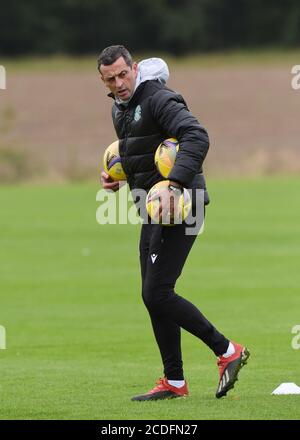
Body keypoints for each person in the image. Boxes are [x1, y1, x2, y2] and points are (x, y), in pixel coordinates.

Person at [98, 45, 250, 401]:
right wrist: (115, 176)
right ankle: (174, 381)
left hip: (183, 205)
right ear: (102, 79)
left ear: (134, 68)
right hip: (156, 210)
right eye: (110, 79)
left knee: (158, 292)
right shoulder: (120, 107)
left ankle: (227, 350)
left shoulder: (158, 98)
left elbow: (197, 136)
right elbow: (143, 151)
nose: (119, 83)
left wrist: (176, 186)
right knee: (152, 295)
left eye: (123, 74)